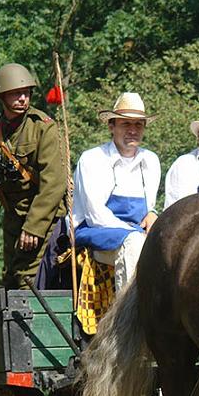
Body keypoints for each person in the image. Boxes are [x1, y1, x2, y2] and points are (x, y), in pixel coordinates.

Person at [0, 63, 66, 289]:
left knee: (27, 280)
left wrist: (34, 227)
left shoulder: (42, 128)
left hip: (44, 218)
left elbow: (53, 184)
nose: (23, 98)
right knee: (10, 279)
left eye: (26, 93)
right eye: (16, 93)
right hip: (13, 217)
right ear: (2, 96)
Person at [70, 92, 160, 291]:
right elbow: (95, 216)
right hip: (93, 232)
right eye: (126, 124)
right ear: (111, 126)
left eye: (138, 124)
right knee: (135, 245)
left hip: (135, 234)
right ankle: (128, 316)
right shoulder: (93, 159)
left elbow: (148, 209)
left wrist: (153, 214)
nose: (132, 130)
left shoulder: (151, 160)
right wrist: (136, 233)